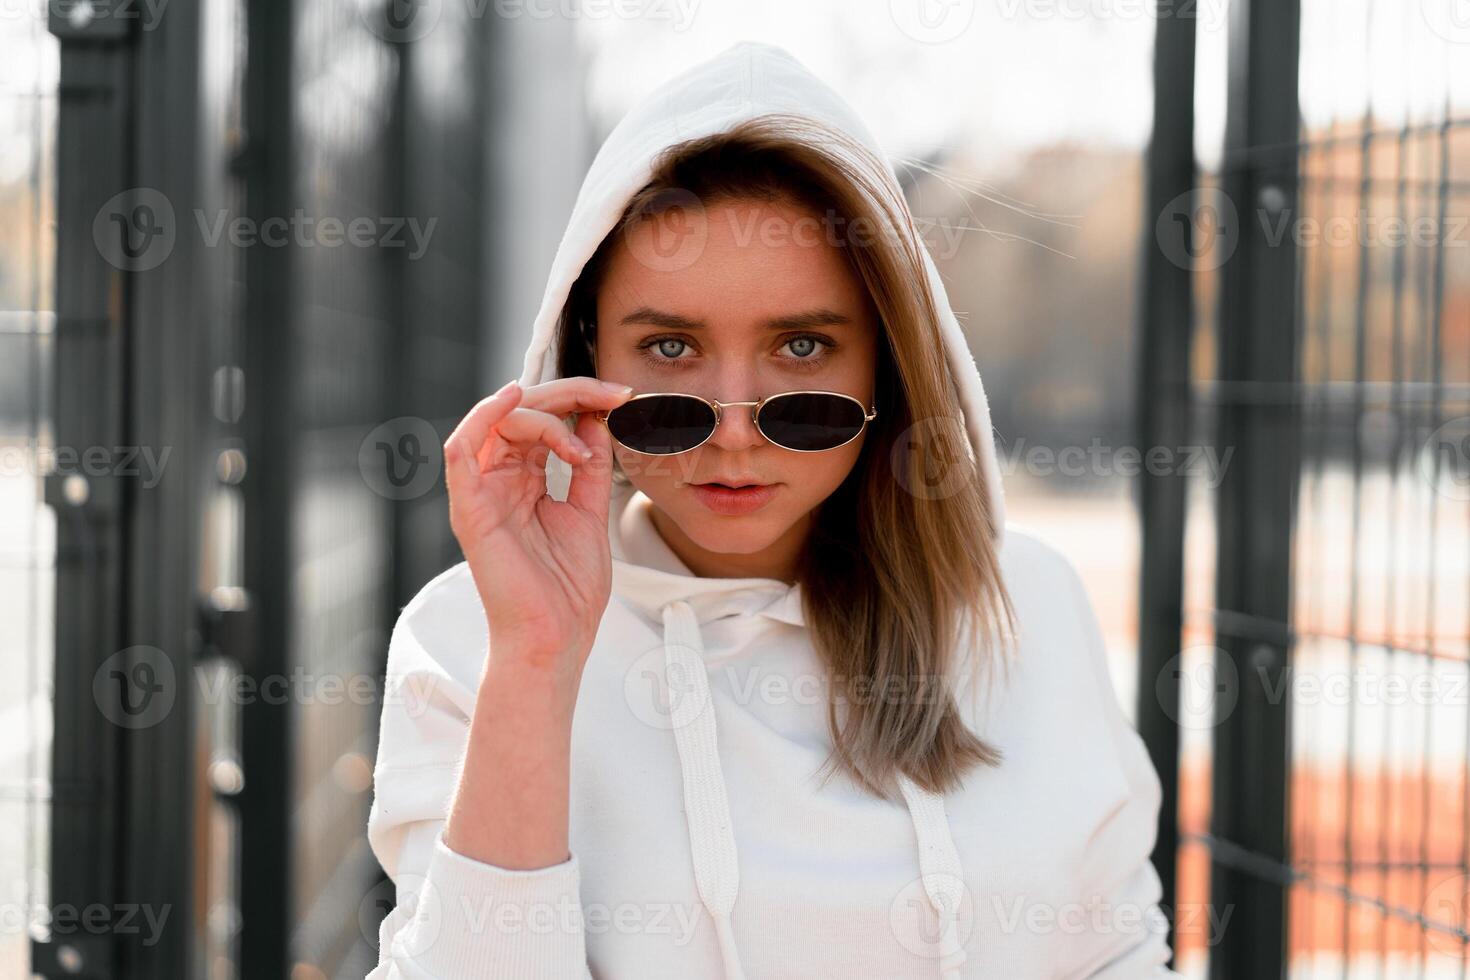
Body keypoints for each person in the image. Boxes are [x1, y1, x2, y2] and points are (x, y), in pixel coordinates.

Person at [366, 40, 1181, 979]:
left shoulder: (1027, 604)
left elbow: (1117, 951)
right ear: (587, 353)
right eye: (670, 348)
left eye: (801, 347)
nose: (737, 432)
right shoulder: (472, 640)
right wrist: (538, 664)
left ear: (887, 360)